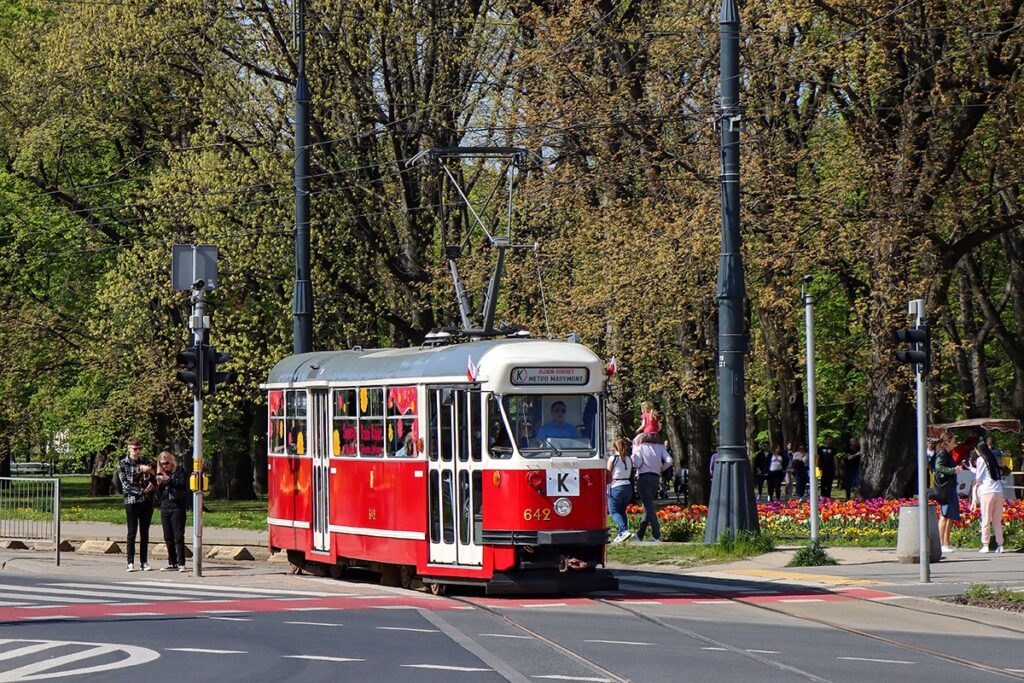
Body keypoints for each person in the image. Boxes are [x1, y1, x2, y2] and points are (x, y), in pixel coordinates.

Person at [117, 438, 155, 572]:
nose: (137, 451)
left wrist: (150, 474)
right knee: (132, 532)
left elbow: (156, 474)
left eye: (139, 449)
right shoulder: (123, 463)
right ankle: (130, 561)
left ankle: (144, 561)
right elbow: (126, 484)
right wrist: (142, 491)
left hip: (146, 502)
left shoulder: (147, 461)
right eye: (134, 449)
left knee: (145, 533)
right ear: (129, 448)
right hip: (132, 501)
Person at [631, 435, 673, 542]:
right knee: (647, 506)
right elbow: (669, 460)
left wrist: (634, 452)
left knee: (649, 507)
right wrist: (661, 468)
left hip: (644, 477)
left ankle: (656, 535)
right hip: (655, 478)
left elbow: (637, 463)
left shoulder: (640, 447)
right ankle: (640, 535)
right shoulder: (660, 447)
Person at [155, 450, 189, 572]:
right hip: (165, 506)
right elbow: (158, 496)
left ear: (172, 461)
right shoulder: (161, 473)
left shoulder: (179, 471)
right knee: (167, 536)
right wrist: (158, 484)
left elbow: (180, 485)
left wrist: (168, 479)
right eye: (162, 464)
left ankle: (181, 563)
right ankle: (172, 562)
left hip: (177, 506)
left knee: (178, 535)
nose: (165, 466)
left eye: (167, 463)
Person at [971, 442, 1005, 553]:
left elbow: (978, 477)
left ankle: (985, 544)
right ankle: (1000, 544)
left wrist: (971, 469)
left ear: (978, 450)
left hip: (987, 491)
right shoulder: (993, 458)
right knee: (997, 520)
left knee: (985, 519)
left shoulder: (981, 460)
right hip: (998, 491)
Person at [931, 435, 963, 554]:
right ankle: (941, 543)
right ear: (947, 442)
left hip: (950, 487)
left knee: (950, 515)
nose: (955, 443)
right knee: (945, 514)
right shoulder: (943, 453)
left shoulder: (947, 453)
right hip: (946, 488)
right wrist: (953, 470)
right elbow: (938, 467)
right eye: (953, 441)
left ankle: (946, 542)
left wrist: (956, 467)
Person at [606, 437, 634, 543]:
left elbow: (608, 473)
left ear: (614, 447)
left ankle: (623, 530)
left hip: (616, 485)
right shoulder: (628, 459)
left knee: (613, 511)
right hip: (627, 485)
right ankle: (622, 532)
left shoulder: (613, 458)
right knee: (622, 510)